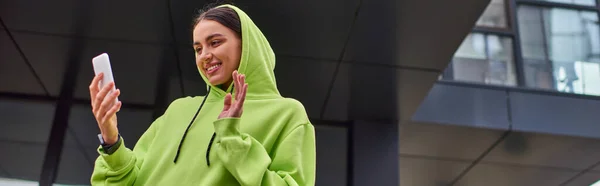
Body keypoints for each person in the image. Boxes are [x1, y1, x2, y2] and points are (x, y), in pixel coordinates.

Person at [88, 4, 316, 186]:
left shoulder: (287, 114)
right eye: (198, 49)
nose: (205, 55)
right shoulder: (178, 109)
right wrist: (111, 139)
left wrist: (231, 138)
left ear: (246, 45)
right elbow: (126, 180)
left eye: (215, 42)